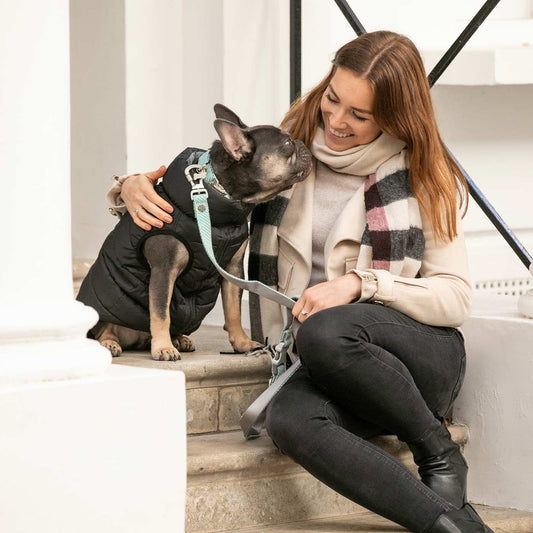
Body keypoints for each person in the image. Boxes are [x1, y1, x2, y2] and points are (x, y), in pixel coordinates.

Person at [108, 30, 493, 533]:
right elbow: (200, 186)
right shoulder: (284, 155)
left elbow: (456, 298)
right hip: (318, 363)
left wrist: (360, 285)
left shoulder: (422, 171)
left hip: (414, 364)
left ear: (395, 117)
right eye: (333, 98)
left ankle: (437, 450)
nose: (336, 120)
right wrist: (131, 185)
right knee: (287, 419)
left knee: (326, 329)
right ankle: (453, 527)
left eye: (359, 115)